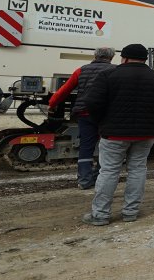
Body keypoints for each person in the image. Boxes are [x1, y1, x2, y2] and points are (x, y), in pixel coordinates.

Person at [80, 43, 154, 226]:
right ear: (145, 59)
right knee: (138, 170)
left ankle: (100, 214)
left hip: (113, 134)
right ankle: (130, 212)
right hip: (146, 135)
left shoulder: (108, 75)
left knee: (109, 171)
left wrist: (102, 123)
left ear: (123, 58)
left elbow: (92, 103)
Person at [48, 47, 115, 190]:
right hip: (107, 115)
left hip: (85, 113)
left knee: (86, 146)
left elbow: (64, 90)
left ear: (95, 56)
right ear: (112, 57)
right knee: (107, 146)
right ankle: (100, 177)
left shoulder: (81, 70)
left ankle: (84, 180)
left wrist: (52, 104)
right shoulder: (115, 70)